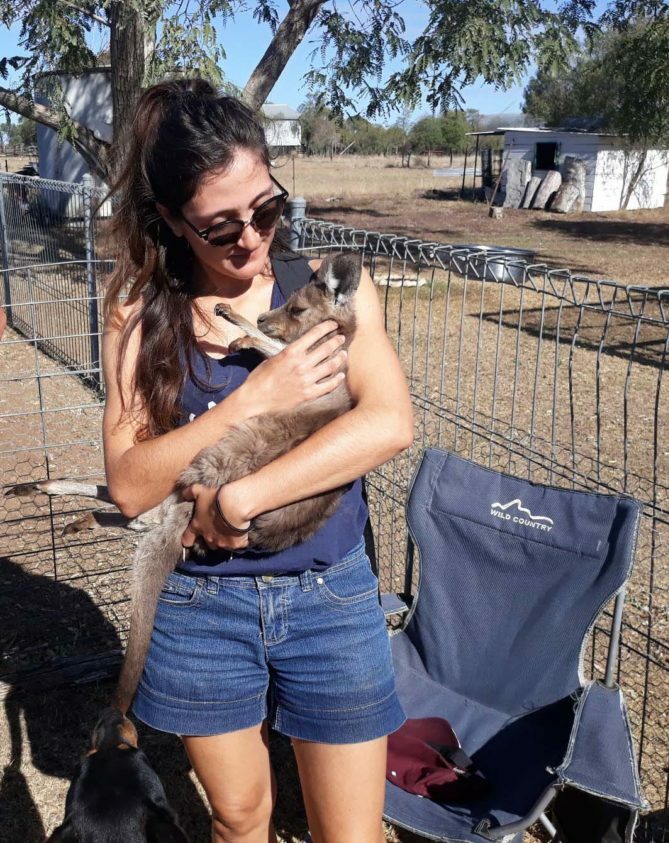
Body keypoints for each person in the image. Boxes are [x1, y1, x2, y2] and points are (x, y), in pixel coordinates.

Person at [101, 78, 413, 843]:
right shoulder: (137, 311)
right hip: (203, 606)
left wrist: (240, 500)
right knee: (240, 818)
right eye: (221, 226)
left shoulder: (331, 292)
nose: (252, 239)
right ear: (173, 221)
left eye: (266, 209)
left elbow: (388, 423)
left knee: (351, 833)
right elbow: (133, 485)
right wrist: (250, 399)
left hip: (328, 595)